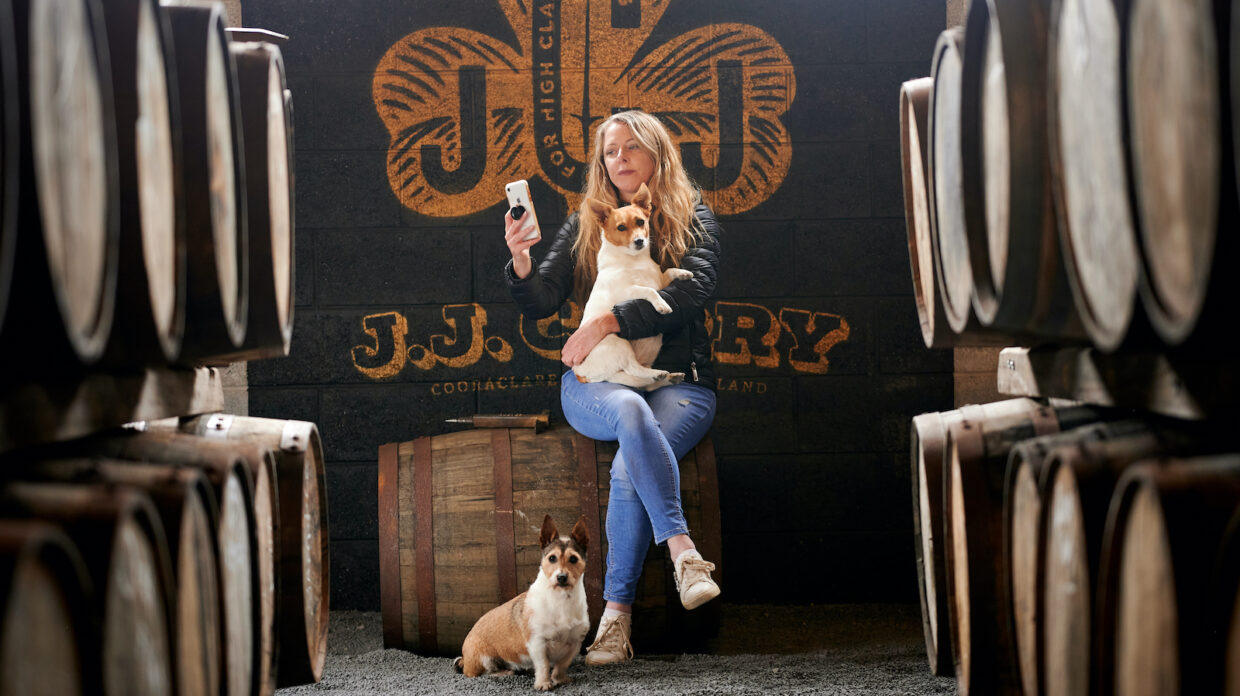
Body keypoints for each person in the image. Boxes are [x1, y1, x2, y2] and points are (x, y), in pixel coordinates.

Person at [503, 109, 723, 665]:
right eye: (609, 152)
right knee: (628, 410)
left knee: (629, 464)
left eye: (630, 148)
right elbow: (542, 300)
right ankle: (684, 554)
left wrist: (605, 321)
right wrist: (522, 259)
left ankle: (614, 622)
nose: (618, 159)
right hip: (595, 381)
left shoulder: (694, 218)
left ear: (656, 154)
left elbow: (691, 298)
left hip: (681, 385)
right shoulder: (589, 224)